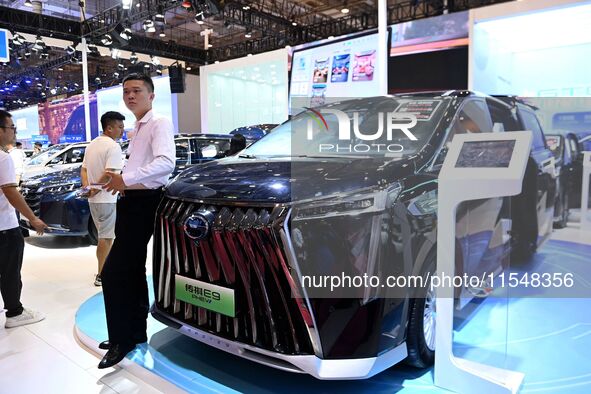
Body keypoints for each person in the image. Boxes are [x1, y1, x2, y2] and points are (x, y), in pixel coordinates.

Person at [98, 73, 175, 369]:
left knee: (113, 273)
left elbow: (166, 163)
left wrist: (126, 179)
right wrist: (117, 180)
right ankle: (135, 332)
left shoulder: (159, 123)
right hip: (131, 203)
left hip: (145, 203)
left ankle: (121, 339)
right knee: (130, 270)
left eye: (137, 91)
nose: (130, 96)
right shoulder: (137, 128)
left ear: (151, 95)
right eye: (126, 92)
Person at [0, 110, 47, 329]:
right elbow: (11, 192)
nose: (14, 132)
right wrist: (33, 218)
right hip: (5, 227)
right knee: (10, 271)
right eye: (12, 128)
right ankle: (15, 312)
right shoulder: (3, 158)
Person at [81, 112, 125, 287]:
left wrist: (88, 188)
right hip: (106, 197)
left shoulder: (91, 144)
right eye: (119, 127)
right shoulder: (113, 147)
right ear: (109, 128)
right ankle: (102, 275)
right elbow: (110, 174)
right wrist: (93, 188)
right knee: (106, 238)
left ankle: (105, 269)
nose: (122, 130)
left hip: (94, 200)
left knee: (103, 236)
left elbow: (83, 169)